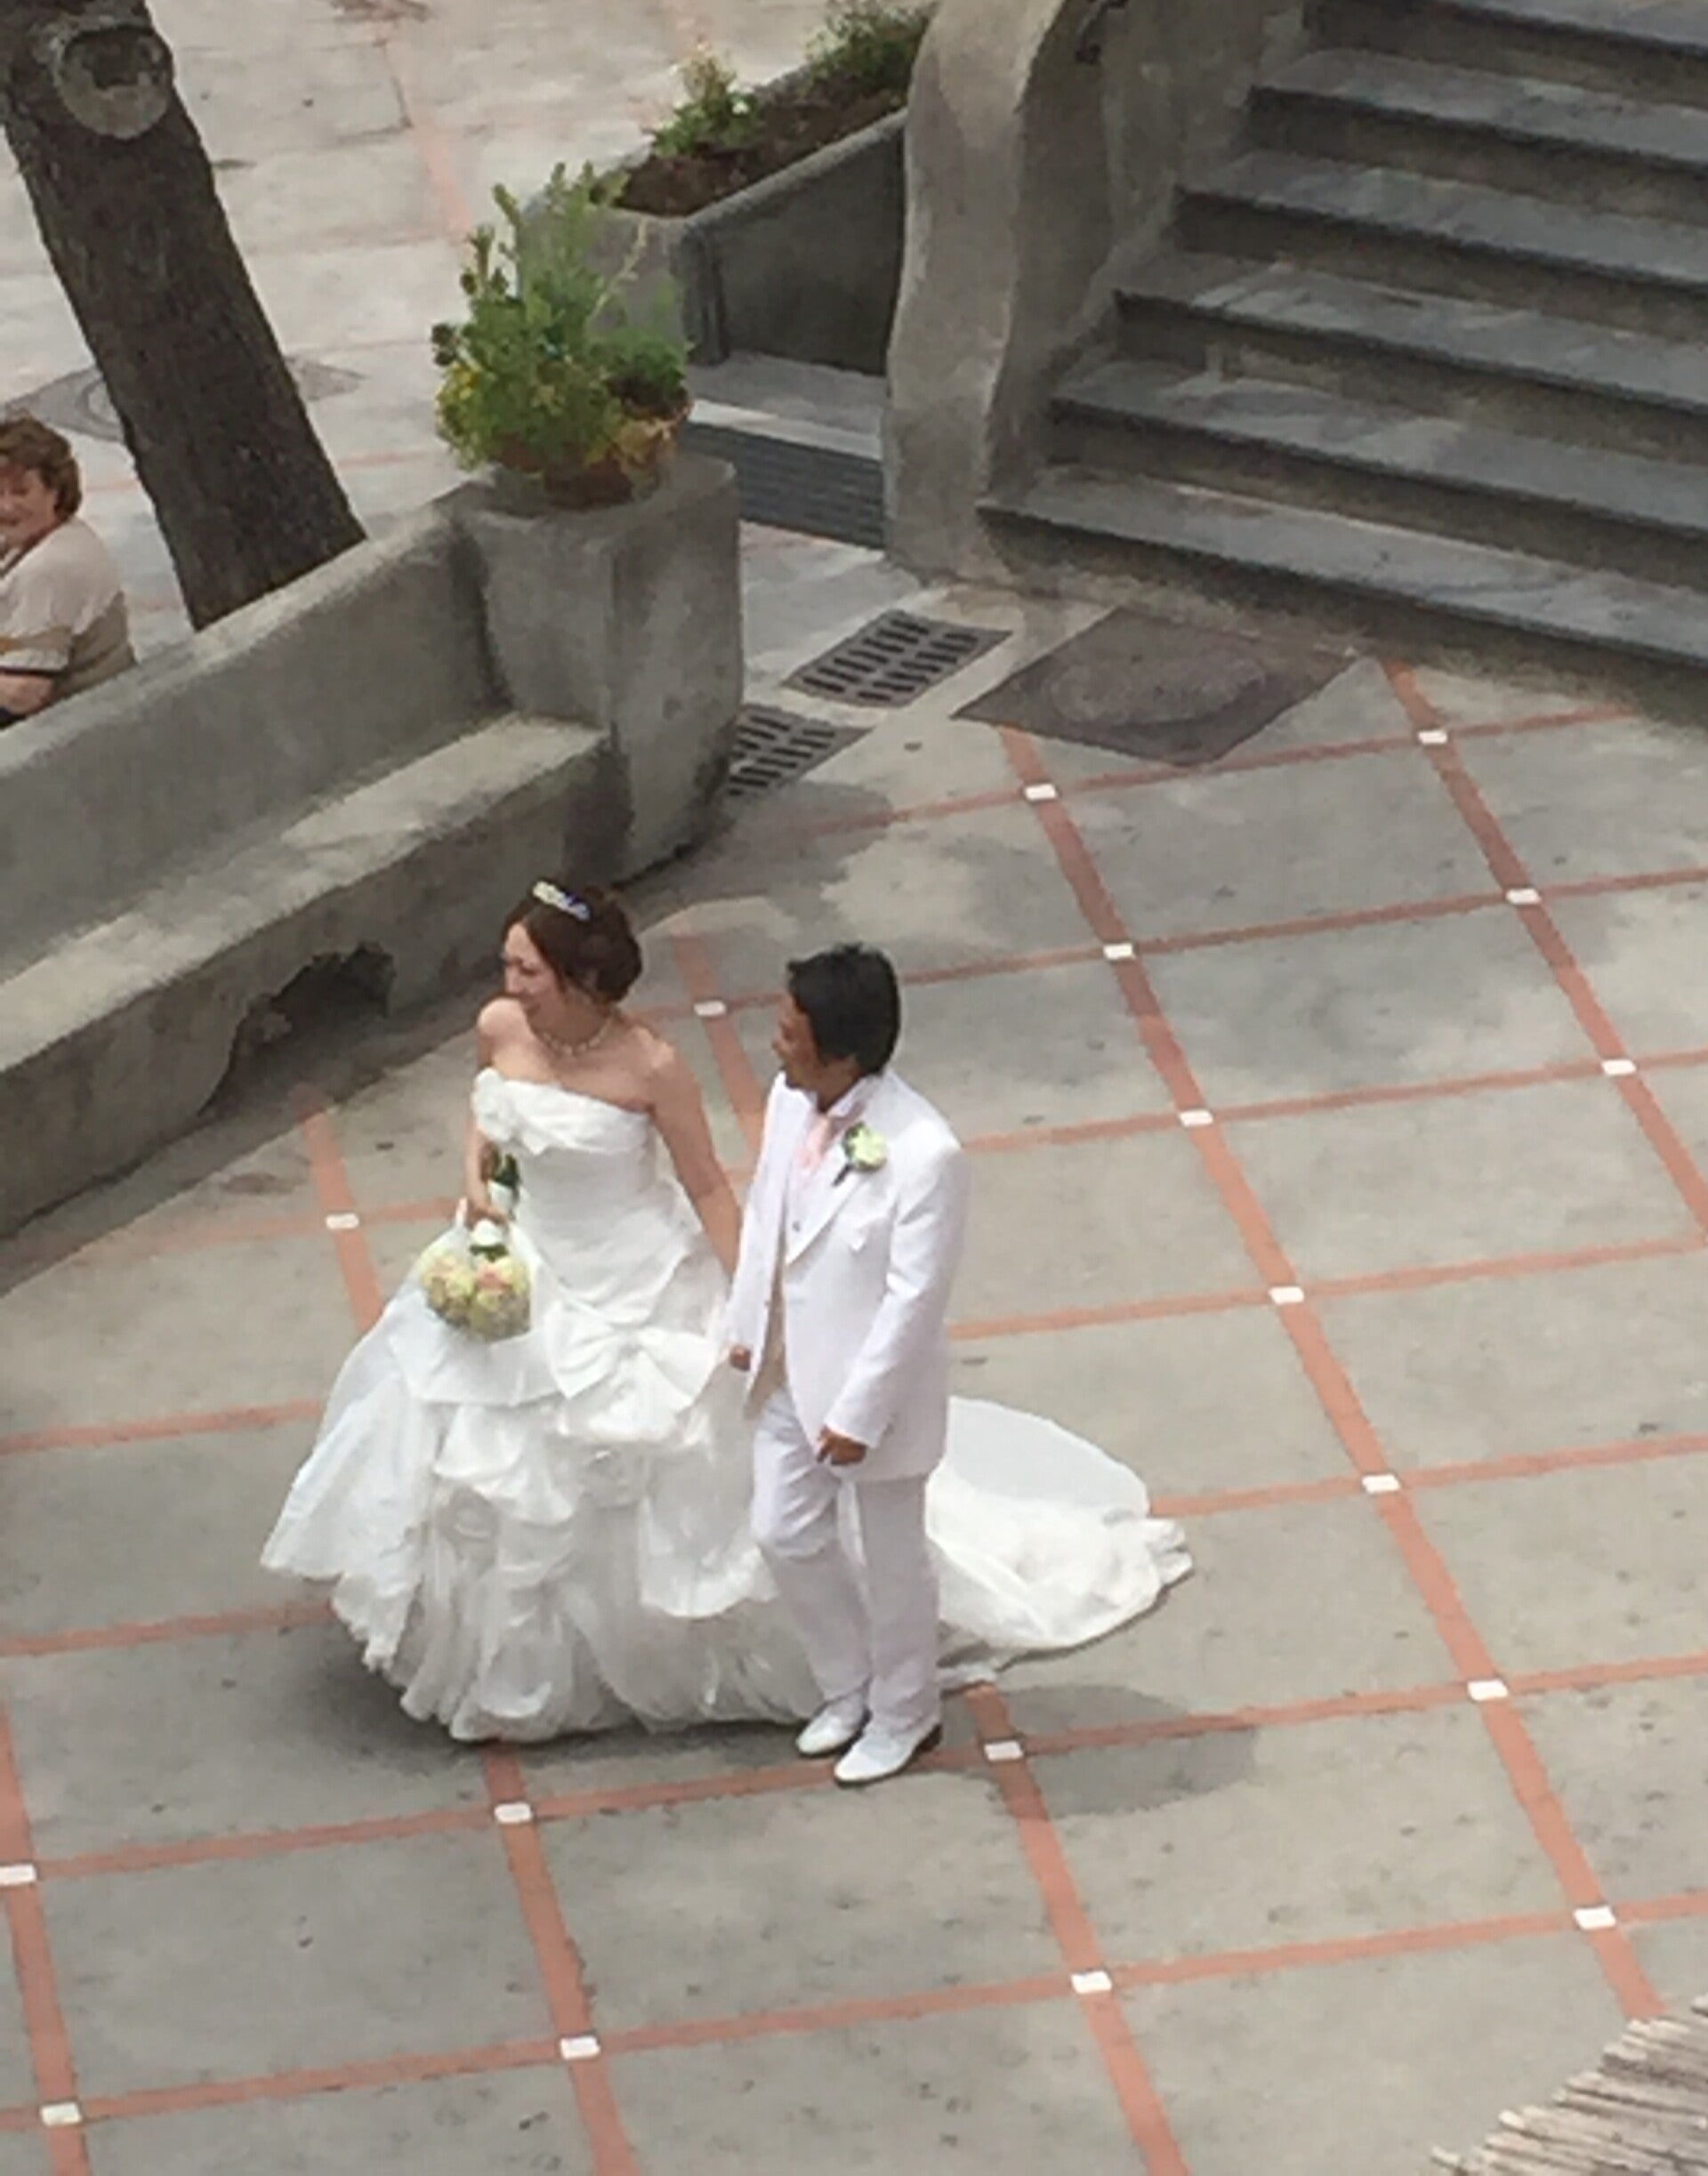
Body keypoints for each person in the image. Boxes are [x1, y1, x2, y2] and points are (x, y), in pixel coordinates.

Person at [262, 882, 1189, 1747]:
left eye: (527, 969)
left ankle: (837, 1673)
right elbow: (489, 1113)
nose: (510, 984)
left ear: (582, 979)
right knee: (479, 1460)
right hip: (527, 1262)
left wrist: (762, 1302)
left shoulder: (651, 1066)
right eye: (510, 966)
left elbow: (707, 1185)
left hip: (636, 1279)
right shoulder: (499, 1027)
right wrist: (479, 1184)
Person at [727, 947, 968, 1786]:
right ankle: (847, 1684)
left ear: (842, 1050)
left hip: (877, 1396)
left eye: (790, 1032)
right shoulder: (788, 1103)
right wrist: (746, 1323)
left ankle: (907, 1711)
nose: (775, 1044)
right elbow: (766, 1212)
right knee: (781, 1529)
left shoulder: (925, 1152)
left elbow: (914, 1300)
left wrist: (860, 1414)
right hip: (792, 1369)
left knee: (894, 1560)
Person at [0, 417, 134, 729]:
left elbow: (24, 693)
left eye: (21, 492)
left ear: (56, 491)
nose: (6, 506)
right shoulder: (40, 536)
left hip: (82, 731)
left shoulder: (50, 568)